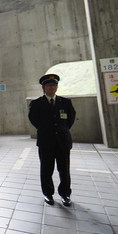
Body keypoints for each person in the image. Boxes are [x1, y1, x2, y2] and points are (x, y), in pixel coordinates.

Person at [28, 73, 76, 206]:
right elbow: (34, 120)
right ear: (43, 87)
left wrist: (61, 130)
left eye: (54, 85)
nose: (52, 87)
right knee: (46, 169)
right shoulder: (37, 103)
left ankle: (65, 194)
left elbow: (70, 120)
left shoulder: (65, 102)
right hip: (46, 142)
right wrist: (46, 130)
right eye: (49, 85)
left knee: (64, 169)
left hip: (63, 141)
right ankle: (48, 194)